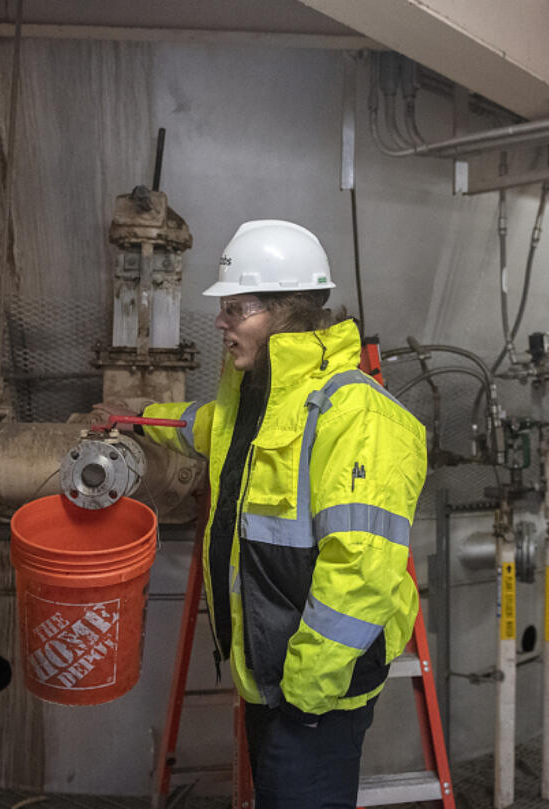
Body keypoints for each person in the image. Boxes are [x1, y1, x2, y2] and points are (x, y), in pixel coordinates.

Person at [140, 220, 427, 809]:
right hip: (268, 681)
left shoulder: (357, 414)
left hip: (314, 697)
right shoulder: (259, 399)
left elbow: (361, 574)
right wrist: (137, 417)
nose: (220, 322)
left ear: (288, 310)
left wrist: (306, 692)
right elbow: (204, 427)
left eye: (236, 308)